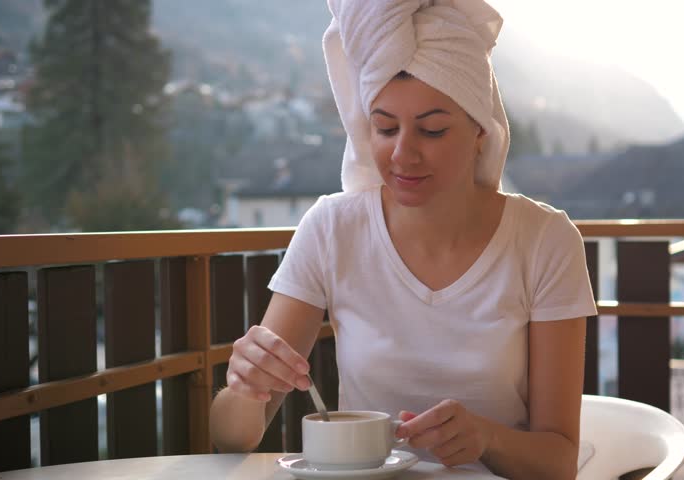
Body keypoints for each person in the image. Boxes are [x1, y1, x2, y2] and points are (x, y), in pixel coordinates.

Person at [209, 1, 597, 479]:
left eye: (432, 130)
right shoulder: (332, 228)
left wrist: (486, 438)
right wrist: (245, 388)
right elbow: (232, 437)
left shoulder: (545, 241)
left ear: (480, 130)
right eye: (385, 127)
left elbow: (559, 462)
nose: (402, 153)